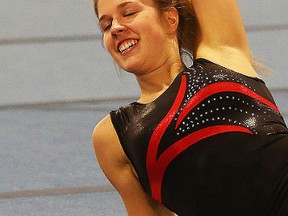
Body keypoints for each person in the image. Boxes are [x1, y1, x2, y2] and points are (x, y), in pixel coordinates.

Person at [92, 0, 288, 215]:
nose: (116, 28)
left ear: (170, 19)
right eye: (106, 25)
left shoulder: (222, 55)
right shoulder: (115, 136)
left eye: (129, 13)